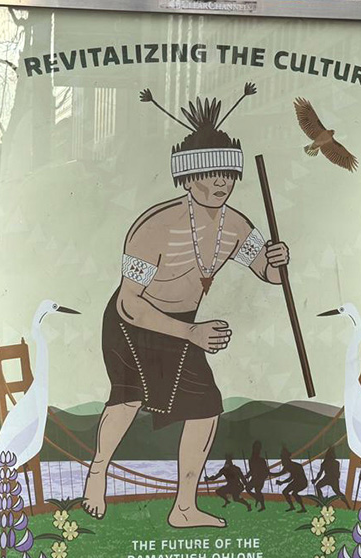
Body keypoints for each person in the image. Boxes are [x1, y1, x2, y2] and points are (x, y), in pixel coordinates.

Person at [81, 87, 290, 528]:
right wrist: (191, 333)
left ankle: (184, 507)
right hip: (131, 322)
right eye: (210, 173)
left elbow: (267, 274)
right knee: (128, 399)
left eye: (227, 174)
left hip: (182, 326)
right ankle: (98, 470)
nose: (221, 183)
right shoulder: (155, 227)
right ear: (188, 177)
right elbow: (128, 303)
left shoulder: (236, 225)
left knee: (206, 406)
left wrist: (277, 261)